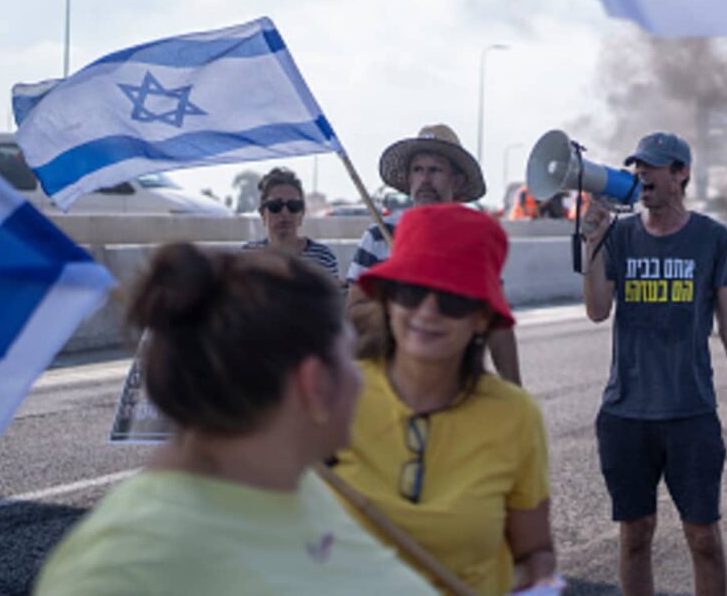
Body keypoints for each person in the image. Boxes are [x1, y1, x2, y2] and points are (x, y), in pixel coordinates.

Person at [35, 245, 433, 596]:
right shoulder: (120, 572)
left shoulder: (289, 482)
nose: (360, 377)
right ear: (314, 383)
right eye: (349, 356)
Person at [580, 131, 727, 596]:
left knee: (704, 538)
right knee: (635, 534)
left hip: (691, 414)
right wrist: (592, 243)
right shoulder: (620, 235)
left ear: (681, 173)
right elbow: (597, 310)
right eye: (638, 166)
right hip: (625, 413)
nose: (640, 174)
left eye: (652, 166)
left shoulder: (711, 237)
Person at [333, 204, 558, 596]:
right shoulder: (334, 398)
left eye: (453, 299)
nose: (427, 312)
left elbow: (534, 552)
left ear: (482, 317)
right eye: (412, 292)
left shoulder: (515, 416)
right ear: (388, 300)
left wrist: (540, 587)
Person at [346, 124, 521, 385]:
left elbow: (497, 323)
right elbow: (352, 311)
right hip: (387, 382)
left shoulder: (473, 241)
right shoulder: (378, 235)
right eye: (418, 170)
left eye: (435, 170)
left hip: (455, 383)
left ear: (457, 181)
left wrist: (514, 387)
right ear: (409, 179)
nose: (425, 179)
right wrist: (402, 304)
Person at [242, 167, 340, 282]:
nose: (285, 213)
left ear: (302, 213)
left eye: (293, 206)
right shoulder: (248, 256)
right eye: (275, 206)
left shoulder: (322, 257)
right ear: (262, 213)